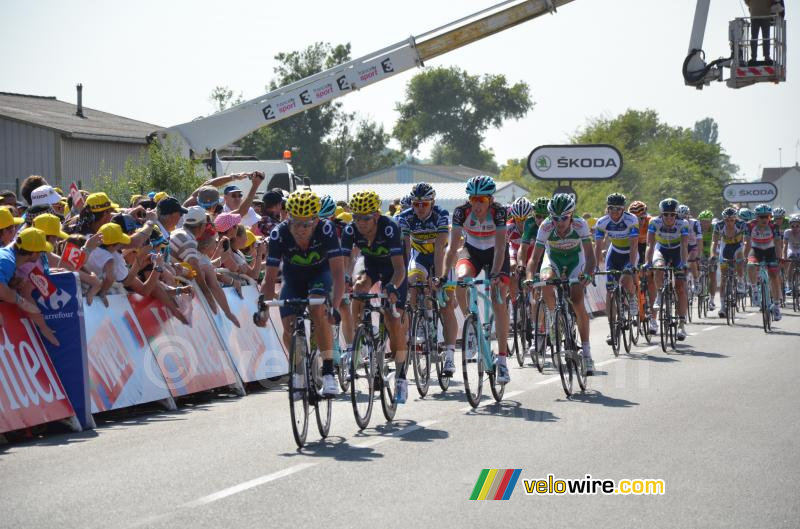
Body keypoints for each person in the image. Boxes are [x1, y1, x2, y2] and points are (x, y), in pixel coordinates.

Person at [260, 190, 344, 398]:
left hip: (320, 274)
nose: (300, 229)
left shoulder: (326, 229)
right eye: (296, 223)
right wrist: (262, 308)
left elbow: (338, 273)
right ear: (288, 218)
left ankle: (328, 372)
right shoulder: (279, 234)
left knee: (318, 310)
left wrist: (334, 306)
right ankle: (298, 370)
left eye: (306, 224)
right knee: (288, 326)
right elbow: (269, 278)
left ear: (316, 220)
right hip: (293, 278)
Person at [341, 191, 409, 403]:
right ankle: (359, 339)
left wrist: (392, 287)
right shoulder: (351, 229)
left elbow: (400, 269)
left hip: (393, 270)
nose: (360, 223)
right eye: (356, 217)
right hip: (371, 266)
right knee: (357, 289)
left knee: (393, 320)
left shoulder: (390, 227)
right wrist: (346, 279)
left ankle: (401, 376)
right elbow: (346, 261)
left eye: (366, 218)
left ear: (376, 216)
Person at [443, 175, 512, 383]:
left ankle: (502, 361)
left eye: (481, 200)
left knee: (498, 300)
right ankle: (470, 324)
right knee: (461, 279)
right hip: (472, 251)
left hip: (496, 254)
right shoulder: (461, 212)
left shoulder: (499, 212)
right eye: (473, 199)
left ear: (490, 199)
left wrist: (496, 273)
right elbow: (452, 248)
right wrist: (443, 276)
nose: (476, 204)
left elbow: (500, 247)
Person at [527, 194, 596, 373]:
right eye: (555, 218)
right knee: (545, 282)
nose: (559, 222)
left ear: (571, 215)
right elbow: (534, 258)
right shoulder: (546, 226)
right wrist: (529, 277)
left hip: (575, 261)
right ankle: (553, 321)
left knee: (577, 300)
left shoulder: (580, 224)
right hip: (553, 260)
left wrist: (588, 275)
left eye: (564, 218)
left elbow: (590, 256)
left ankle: (586, 353)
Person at [397, 183, 457, 376]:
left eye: (424, 204)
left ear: (432, 202)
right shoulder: (406, 217)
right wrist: (404, 278)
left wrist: (439, 278)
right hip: (419, 257)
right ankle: (422, 323)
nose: (420, 208)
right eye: (416, 204)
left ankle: (450, 356)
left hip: (440, 257)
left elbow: (439, 248)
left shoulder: (441, 215)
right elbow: (406, 250)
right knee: (413, 282)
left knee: (447, 305)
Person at [172, 206, 241, 327]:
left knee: (206, 270)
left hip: (173, 273)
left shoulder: (179, 233)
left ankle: (222, 311)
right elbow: (195, 266)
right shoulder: (189, 239)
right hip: (173, 276)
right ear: (202, 226)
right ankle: (221, 312)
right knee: (205, 271)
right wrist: (207, 293)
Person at [594, 193, 639, 345]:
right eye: (611, 209)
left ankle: (632, 297)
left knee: (626, 280)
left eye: (618, 209)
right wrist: (596, 266)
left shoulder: (631, 220)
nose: (614, 212)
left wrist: (632, 265)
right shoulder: (602, 222)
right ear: (607, 209)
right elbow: (598, 246)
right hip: (614, 254)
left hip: (629, 254)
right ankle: (612, 328)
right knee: (610, 290)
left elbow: (634, 245)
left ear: (623, 209)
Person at [646, 198, 689, 340]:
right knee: (658, 268)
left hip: (677, 252)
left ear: (676, 214)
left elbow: (684, 245)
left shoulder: (683, 223)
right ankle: (659, 294)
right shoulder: (654, 222)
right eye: (666, 214)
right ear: (661, 214)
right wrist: (647, 262)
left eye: (672, 214)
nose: (669, 217)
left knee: (680, 288)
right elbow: (650, 245)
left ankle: (681, 325)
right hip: (661, 249)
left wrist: (684, 263)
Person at [743, 203, 783, 321]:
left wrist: (779, 257)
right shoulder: (750, 225)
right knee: (750, 265)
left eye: (768, 216)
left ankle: (776, 306)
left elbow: (777, 244)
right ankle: (755, 290)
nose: (765, 219)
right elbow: (747, 244)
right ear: (756, 217)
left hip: (770, 251)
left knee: (774, 277)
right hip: (756, 250)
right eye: (762, 217)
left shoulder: (774, 227)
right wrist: (745, 257)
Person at [712, 207, 747, 318]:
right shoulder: (719, 225)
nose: (729, 223)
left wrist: (746, 254)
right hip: (725, 247)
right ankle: (723, 307)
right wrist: (713, 254)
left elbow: (746, 240)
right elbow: (714, 242)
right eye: (727, 220)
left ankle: (740, 281)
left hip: (738, 246)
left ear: (735, 219)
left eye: (732, 220)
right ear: (723, 219)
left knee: (740, 259)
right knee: (723, 278)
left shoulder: (741, 224)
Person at [677, 205, 703, 295]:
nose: (683, 220)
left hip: (693, 246)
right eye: (681, 218)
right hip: (681, 246)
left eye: (685, 217)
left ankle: (696, 281)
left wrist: (699, 255)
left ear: (688, 215)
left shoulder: (695, 223)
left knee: (692, 261)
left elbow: (699, 239)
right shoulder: (676, 223)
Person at [745, 0, 776, 65]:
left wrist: (752, 5)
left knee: (754, 37)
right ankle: (767, 57)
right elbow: (773, 2)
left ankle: (753, 57)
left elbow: (746, 1)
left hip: (754, 14)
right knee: (766, 37)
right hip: (765, 15)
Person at [697, 210, 716, 309]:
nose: (704, 224)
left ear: (711, 221)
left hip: (711, 253)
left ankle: (712, 299)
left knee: (712, 275)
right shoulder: (697, 228)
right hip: (700, 252)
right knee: (697, 268)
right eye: (702, 221)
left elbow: (717, 242)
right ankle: (698, 284)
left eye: (707, 221)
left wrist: (713, 255)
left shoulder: (714, 228)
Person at [783, 214, 800, 294]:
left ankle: (798, 282)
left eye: (797, 226)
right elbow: (785, 245)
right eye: (793, 226)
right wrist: (784, 257)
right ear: (790, 226)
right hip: (791, 249)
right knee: (791, 262)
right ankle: (789, 284)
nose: (795, 228)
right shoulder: (787, 232)